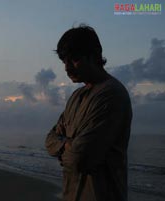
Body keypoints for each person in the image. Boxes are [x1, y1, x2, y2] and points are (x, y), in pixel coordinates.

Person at [45, 25, 132, 201]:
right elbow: (49, 140)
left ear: (95, 55)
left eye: (74, 59)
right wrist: (69, 146)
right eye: (64, 61)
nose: (67, 68)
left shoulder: (111, 94)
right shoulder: (76, 96)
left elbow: (80, 159)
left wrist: (64, 145)